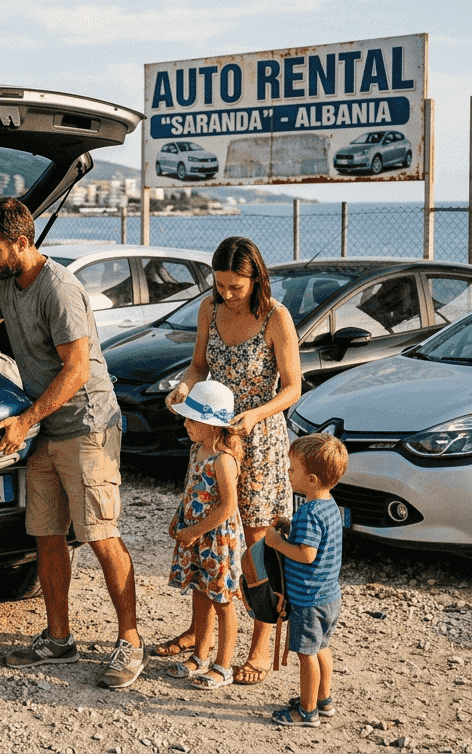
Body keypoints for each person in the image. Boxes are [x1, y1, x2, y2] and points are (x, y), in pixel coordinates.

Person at [0, 197, 146, 690]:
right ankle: (59, 638)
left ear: (22, 242)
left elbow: (77, 369)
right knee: (45, 534)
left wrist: (24, 420)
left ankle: (130, 640)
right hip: (44, 428)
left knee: (100, 535)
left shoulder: (58, 289)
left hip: (85, 425)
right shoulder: (6, 282)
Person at [161, 236, 302, 685]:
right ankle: (199, 636)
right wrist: (184, 387)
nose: (225, 293)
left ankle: (258, 647)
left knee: (256, 547)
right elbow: (199, 366)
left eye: (234, 287)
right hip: (213, 434)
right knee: (207, 534)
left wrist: (255, 414)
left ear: (256, 277)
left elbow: (294, 387)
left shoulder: (276, 317)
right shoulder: (209, 309)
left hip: (258, 439)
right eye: (220, 285)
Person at [163, 380, 247, 691]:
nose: (185, 423)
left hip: (216, 541)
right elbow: (190, 491)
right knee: (200, 594)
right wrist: (179, 520)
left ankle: (223, 666)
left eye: (191, 419)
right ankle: (199, 655)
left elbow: (227, 507)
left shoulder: (223, 460)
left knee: (222, 602)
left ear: (211, 425)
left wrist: (196, 530)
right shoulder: (198, 449)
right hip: (195, 538)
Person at [265, 433, 348, 727]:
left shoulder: (309, 512)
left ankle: (307, 711)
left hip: (308, 599)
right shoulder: (329, 506)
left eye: (292, 469)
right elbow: (319, 542)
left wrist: (276, 543)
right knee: (322, 647)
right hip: (329, 596)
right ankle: (324, 700)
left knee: (306, 654)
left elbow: (306, 554)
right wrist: (291, 527)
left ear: (311, 479)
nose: (288, 473)